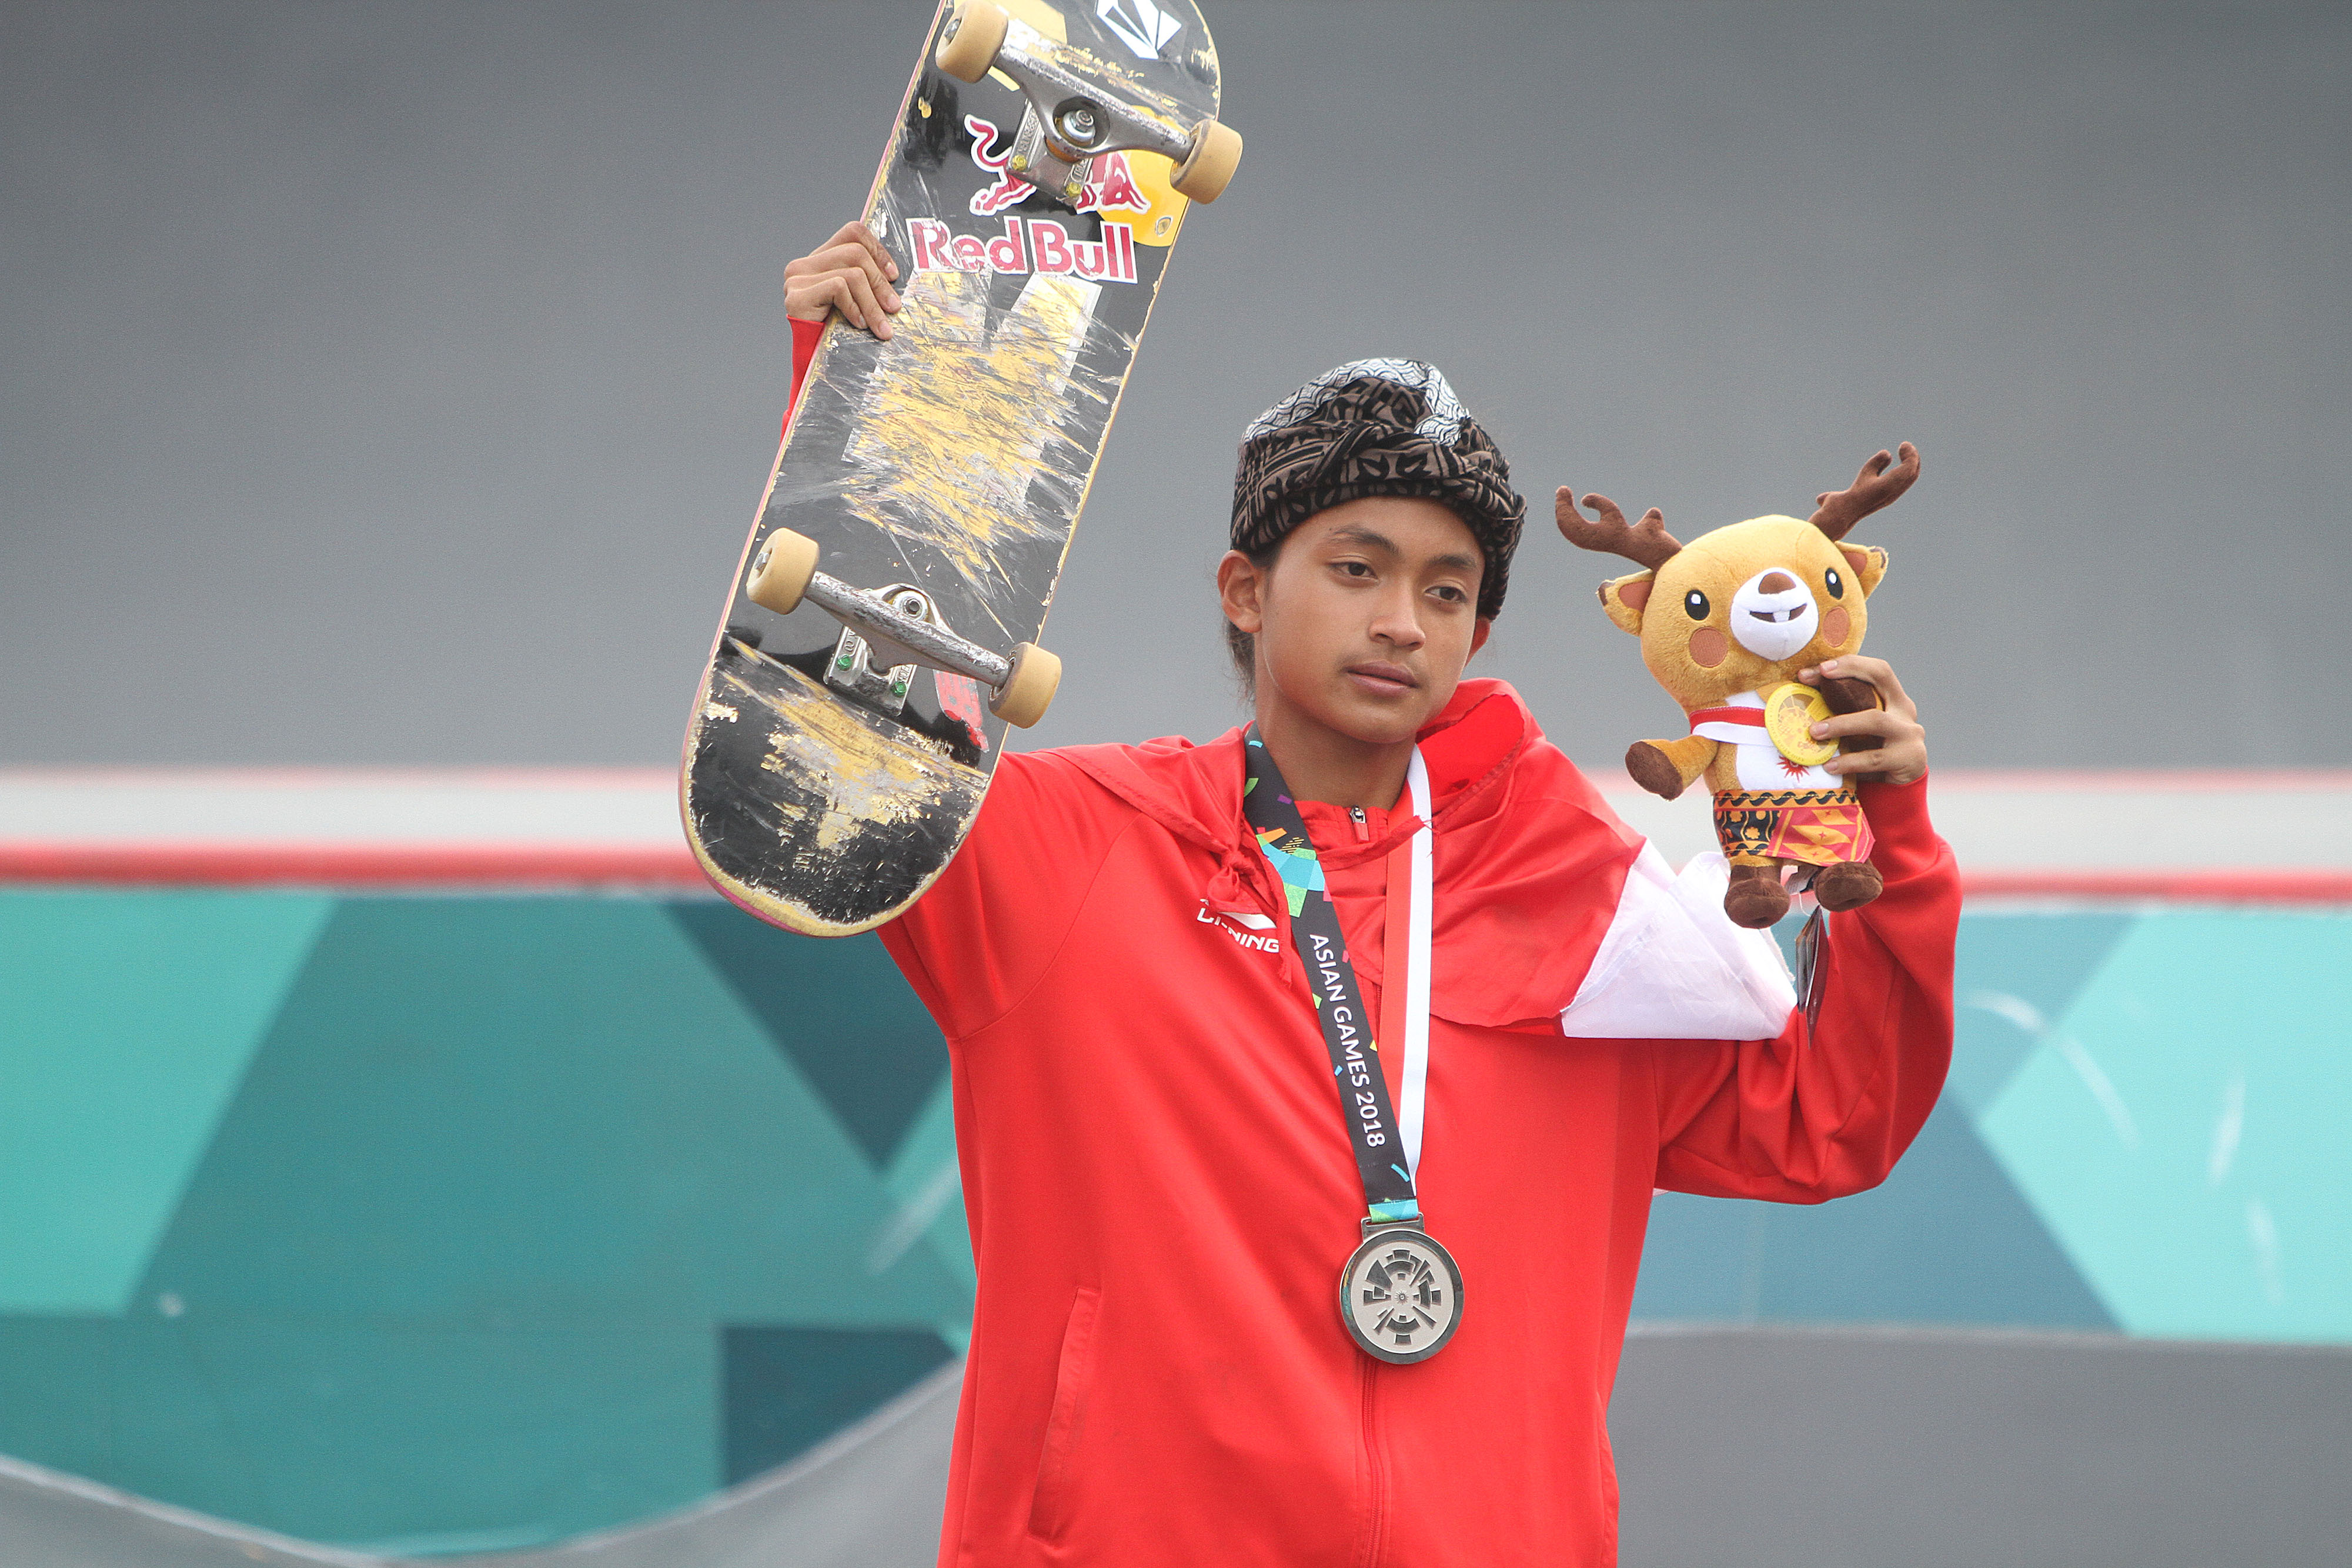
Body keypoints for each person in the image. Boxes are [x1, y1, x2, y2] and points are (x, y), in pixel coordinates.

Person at [767, 221, 1957, 1567]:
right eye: (1355, 567)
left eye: (1446, 591)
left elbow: (1832, 1117)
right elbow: (826, 765)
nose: (1401, 619)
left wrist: (1892, 838)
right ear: (1244, 590)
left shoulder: (1579, 904)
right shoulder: (1077, 847)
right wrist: (847, 397)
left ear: (1475, 634)